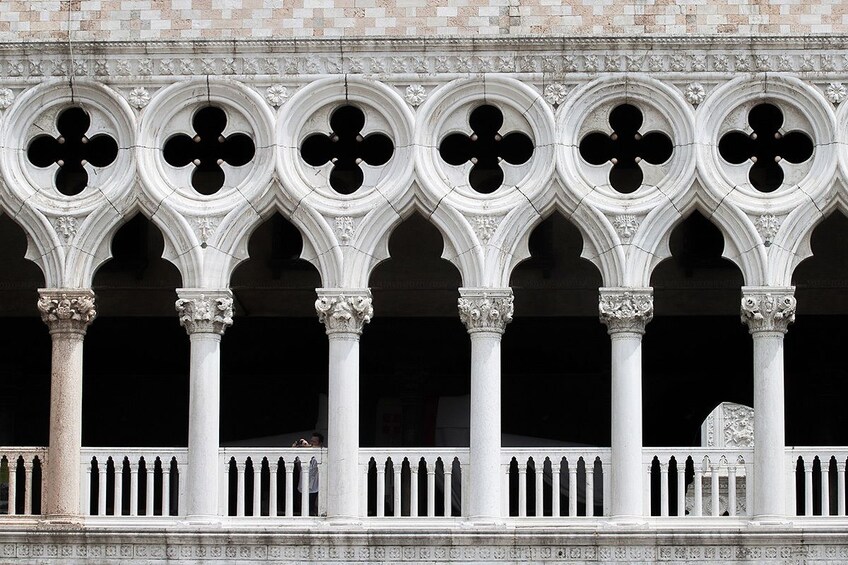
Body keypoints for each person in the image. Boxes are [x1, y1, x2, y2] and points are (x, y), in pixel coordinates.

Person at [292, 432, 324, 516]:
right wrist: (296, 449)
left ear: (320, 443)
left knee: (312, 508)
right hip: (302, 485)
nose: (312, 443)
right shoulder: (306, 452)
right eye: (311, 441)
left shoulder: (322, 453)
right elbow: (296, 463)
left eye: (315, 442)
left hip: (314, 486)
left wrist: (309, 448)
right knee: (302, 508)